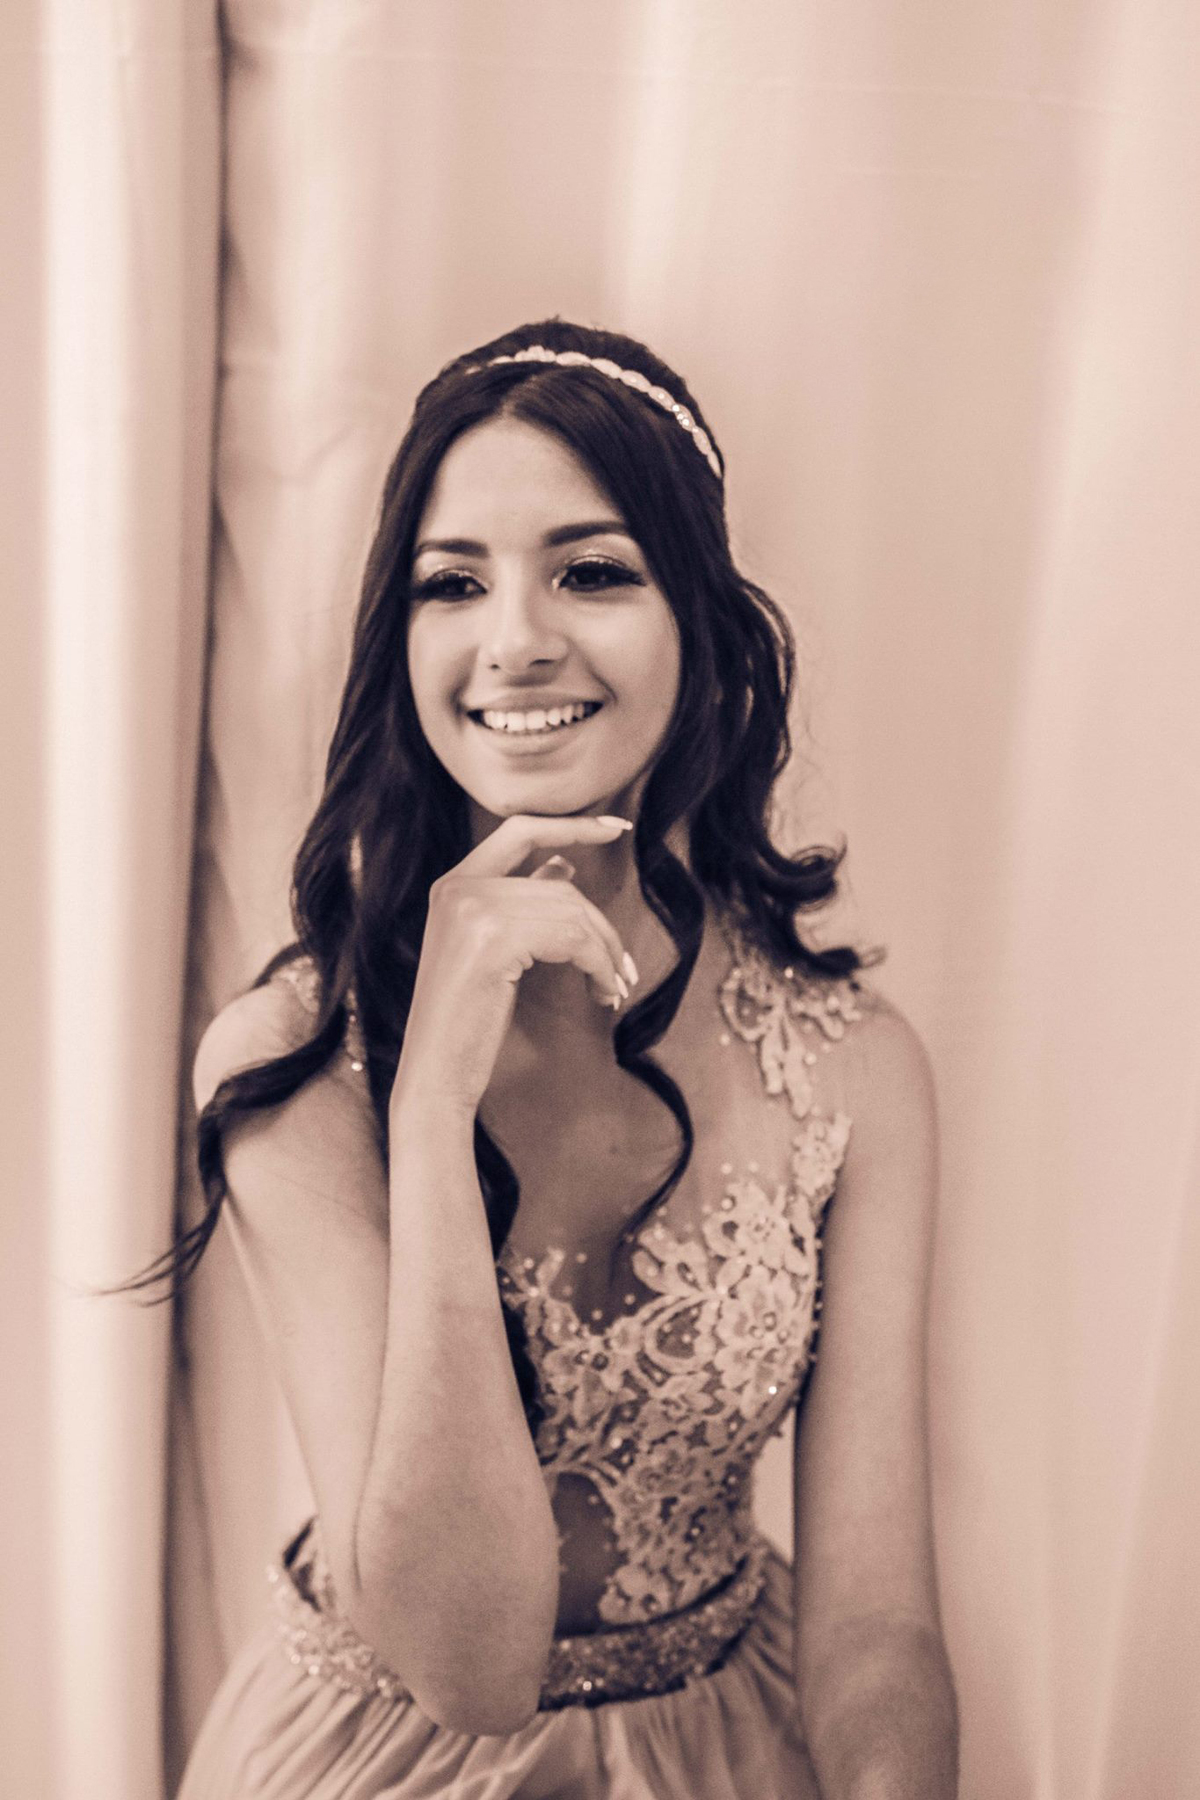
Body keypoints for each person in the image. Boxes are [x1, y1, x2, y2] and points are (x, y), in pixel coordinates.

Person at [160, 320, 958, 1797]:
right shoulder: (287, 1062)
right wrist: (430, 1102)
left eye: (591, 572)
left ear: (700, 623)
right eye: (452, 582)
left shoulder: (855, 1069)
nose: (515, 638)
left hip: (729, 1746)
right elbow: (468, 1669)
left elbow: (878, 1630)